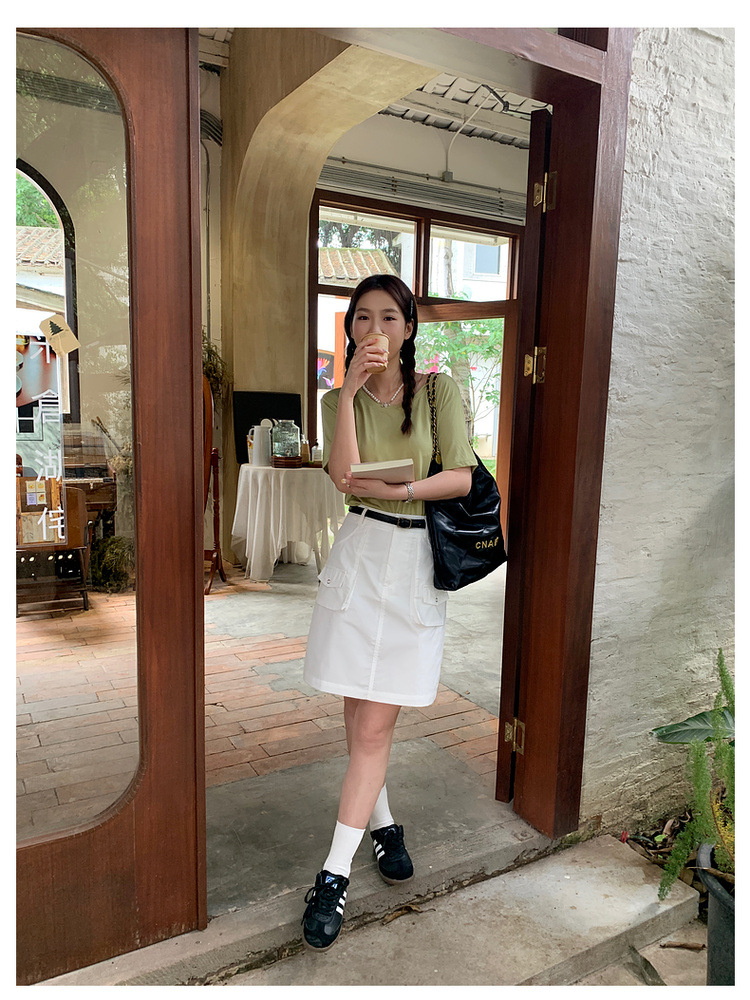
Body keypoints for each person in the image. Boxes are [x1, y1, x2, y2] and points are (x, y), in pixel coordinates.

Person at [301, 273, 476, 952]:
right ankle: (384, 825)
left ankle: (333, 875)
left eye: (388, 318)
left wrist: (400, 488)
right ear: (350, 328)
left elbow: (459, 476)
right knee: (359, 718)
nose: (374, 329)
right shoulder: (334, 398)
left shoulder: (437, 390)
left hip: (413, 561)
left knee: (374, 725)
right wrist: (347, 391)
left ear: (407, 328)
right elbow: (343, 477)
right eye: (362, 318)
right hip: (361, 553)